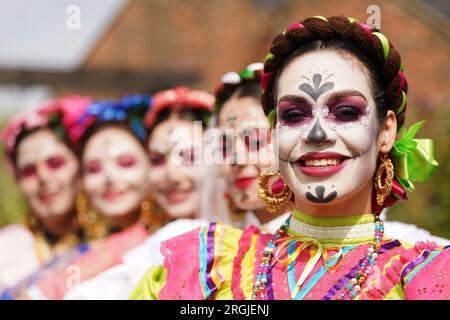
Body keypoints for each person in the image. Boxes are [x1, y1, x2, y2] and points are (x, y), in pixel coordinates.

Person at [131, 16, 449, 300]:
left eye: (347, 112)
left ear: (386, 131)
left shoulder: (428, 276)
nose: (317, 133)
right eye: (294, 115)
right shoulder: (201, 268)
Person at [63, 87, 215, 299]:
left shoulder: (254, 239)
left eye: (189, 156)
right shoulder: (141, 251)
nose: (172, 174)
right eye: (157, 160)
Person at [0, 96, 93, 292]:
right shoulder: (6, 250)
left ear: (81, 166)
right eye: (28, 171)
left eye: (55, 163)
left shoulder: (112, 238)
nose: (43, 177)